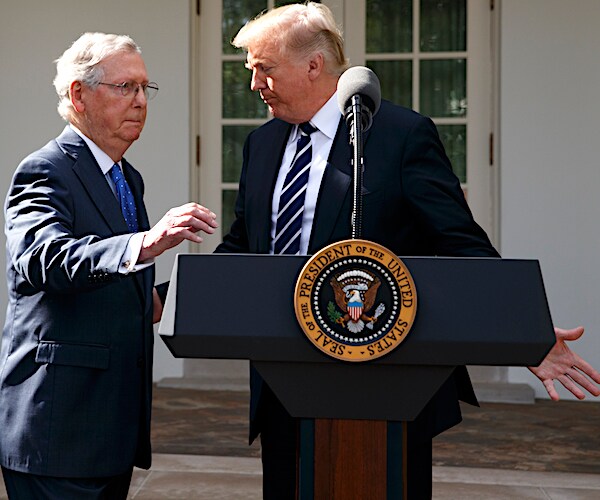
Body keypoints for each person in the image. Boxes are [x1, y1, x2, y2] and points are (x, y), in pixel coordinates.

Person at [216, 3, 600, 498]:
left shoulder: (400, 136)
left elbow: (460, 243)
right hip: (283, 377)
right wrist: (171, 298)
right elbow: (244, 247)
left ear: (313, 66)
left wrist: (522, 331)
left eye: (263, 69)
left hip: (386, 382)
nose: (254, 85)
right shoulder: (262, 144)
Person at [0, 32, 218, 499]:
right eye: (125, 87)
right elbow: (43, 259)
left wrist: (166, 296)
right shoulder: (45, 169)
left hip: (110, 433)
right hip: (59, 430)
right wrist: (145, 243)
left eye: (145, 88)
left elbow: (114, 276)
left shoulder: (124, 175)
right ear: (79, 94)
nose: (140, 101)